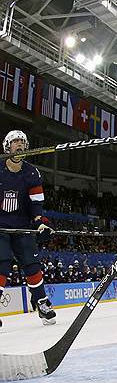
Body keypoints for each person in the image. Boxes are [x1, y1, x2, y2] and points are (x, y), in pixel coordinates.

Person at [0, 130, 57, 326]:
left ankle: (41, 303)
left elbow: (36, 204)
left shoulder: (32, 172)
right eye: (16, 142)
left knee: (32, 265)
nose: (20, 145)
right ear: (7, 147)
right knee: (2, 263)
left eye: (23, 143)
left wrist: (40, 221)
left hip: (22, 226)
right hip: (0, 228)